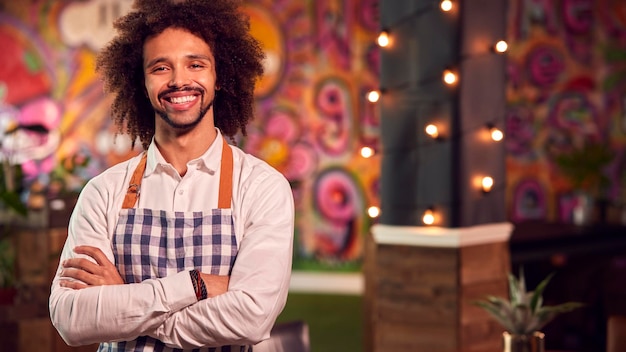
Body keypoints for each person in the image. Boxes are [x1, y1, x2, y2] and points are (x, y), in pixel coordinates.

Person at [48, 0, 295, 351]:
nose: (179, 80)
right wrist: (193, 285)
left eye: (196, 64)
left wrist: (123, 302)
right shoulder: (102, 192)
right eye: (161, 68)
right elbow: (71, 319)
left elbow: (251, 317)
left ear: (219, 76)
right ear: (141, 82)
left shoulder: (262, 187)